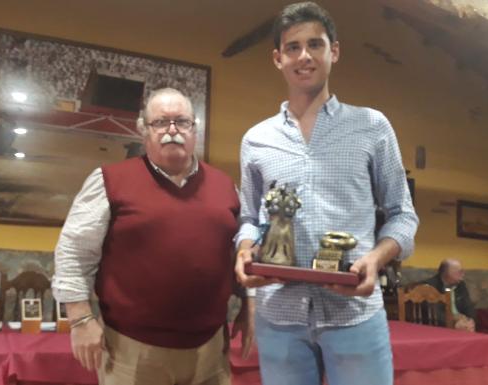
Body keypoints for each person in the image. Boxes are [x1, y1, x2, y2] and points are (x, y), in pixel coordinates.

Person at [234, 3, 419, 385]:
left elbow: (403, 214)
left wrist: (376, 258)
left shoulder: (372, 126)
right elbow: (250, 219)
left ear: (334, 51)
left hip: (354, 313)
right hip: (279, 315)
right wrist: (244, 252)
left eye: (315, 45)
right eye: (293, 47)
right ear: (277, 58)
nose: (304, 56)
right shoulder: (256, 140)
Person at [53, 87, 248, 385]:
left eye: (182, 121)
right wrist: (80, 319)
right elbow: (73, 253)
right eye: (160, 122)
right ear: (144, 131)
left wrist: (249, 304)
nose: (172, 130)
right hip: (132, 352)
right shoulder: (109, 181)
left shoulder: (226, 187)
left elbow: (240, 255)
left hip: (210, 350)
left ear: (195, 129)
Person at [423, 259, 476, 332]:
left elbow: (468, 306)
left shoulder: (461, 285)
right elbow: (434, 312)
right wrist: (454, 322)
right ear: (446, 273)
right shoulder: (430, 286)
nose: (463, 274)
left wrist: (470, 321)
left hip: (461, 323)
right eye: (459, 272)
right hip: (443, 324)